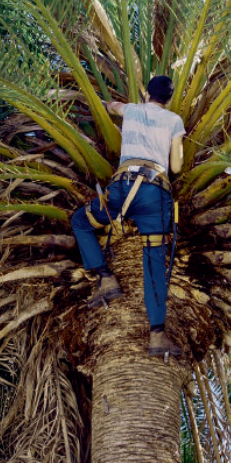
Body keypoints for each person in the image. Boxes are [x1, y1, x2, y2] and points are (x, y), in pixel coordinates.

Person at [71, 75, 185, 357]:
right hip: (155, 195)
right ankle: (157, 335)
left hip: (122, 189)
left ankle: (106, 278)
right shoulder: (174, 120)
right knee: (154, 261)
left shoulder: (132, 109)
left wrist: (96, 100)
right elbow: (177, 165)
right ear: (168, 100)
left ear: (147, 94)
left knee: (81, 222)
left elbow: (112, 107)